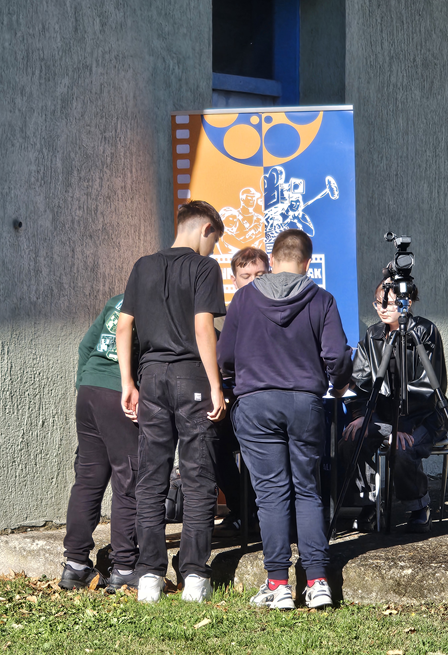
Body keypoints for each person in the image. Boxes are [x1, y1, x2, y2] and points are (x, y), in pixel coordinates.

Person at [217, 229, 352, 609]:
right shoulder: (322, 299)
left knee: (271, 493)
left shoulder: (244, 298)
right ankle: (318, 582)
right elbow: (337, 355)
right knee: (307, 490)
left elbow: (225, 355)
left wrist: (234, 381)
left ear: (272, 261)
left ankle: (278, 585)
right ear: (307, 263)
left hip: (256, 403)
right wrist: (339, 384)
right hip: (305, 402)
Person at [116, 200, 226, 604]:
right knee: (198, 477)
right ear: (206, 229)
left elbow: (124, 327)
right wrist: (215, 384)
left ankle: (149, 575)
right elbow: (203, 327)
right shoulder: (204, 268)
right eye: (215, 240)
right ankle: (194, 576)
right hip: (191, 375)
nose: (213, 249)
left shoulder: (143, 266)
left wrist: (128, 382)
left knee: (151, 476)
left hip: (150, 376)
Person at [340, 279, 447, 533]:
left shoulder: (425, 331)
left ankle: (419, 507)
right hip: (384, 416)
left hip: (423, 417)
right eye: (378, 303)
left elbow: (429, 388)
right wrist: (362, 416)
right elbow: (360, 382)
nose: (382, 309)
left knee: (402, 448)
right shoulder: (373, 334)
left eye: (388, 303)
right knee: (351, 441)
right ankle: (368, 504)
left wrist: (404, 426)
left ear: (406, 302)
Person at [59, 295, 140, 592]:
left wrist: (85, 385)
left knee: (88, 480)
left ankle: (76, 566)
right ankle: (125, 568)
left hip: (89, 391)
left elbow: (86, 346)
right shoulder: (152, 301)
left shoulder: (117, 300)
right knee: (128, 479)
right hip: (120, 394)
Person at [213, 247, 270, 536]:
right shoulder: (218, 319)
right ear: (234, 280)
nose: (253, 281)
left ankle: (266, 515)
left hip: (268, 403)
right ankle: (241, 510)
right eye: (245, 276)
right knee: (212, 446)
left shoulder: (281, 310)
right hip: (231, 400)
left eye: (260, 274)